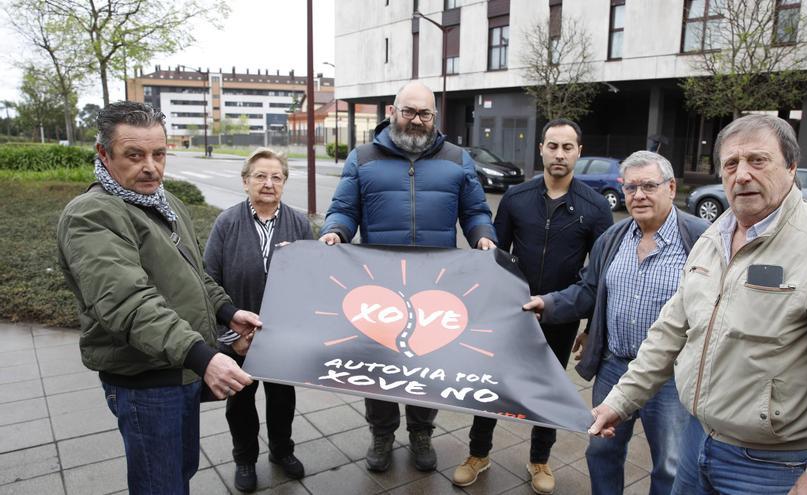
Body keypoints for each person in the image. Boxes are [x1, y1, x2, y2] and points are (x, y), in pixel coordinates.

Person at [589, 114, 807, 495]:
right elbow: (670, 330)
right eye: (731, 163)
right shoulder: (715, 236)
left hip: (770, 466)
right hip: (698, 442)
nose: (742, 174)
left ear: (791, 167)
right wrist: (622, 400)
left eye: (757, 160)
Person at [56, 101, 261, 494]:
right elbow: (129, 304)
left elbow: (193, 276)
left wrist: (228, 312)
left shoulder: (165, 203)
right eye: (134, 155)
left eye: (159, 154)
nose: (151, 166)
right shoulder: (92, 215)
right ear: (104, 154)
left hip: (182, 368)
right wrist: (204, 356)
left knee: (180, 472)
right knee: (160, 486)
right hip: (145, 383)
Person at [318, 81, 497, 473]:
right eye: (409, 112)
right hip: (377, 284)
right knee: (378, 362)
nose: (416, 120)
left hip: (435, 285)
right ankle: (381, 435)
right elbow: (344, 208)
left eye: (425, 113)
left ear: (435, 117)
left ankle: (421, 433)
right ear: (393, 112)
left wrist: (484, 238)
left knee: (427, 361)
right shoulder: (362, 158)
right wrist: (336, 231)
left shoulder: (456, 158)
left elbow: (476, 212)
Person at [525, 150, 708, 494]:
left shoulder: (700, 238)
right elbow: (588, 290)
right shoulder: (614, 238)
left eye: (649, 186)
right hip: (614, 368)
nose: (638, 195)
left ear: (671, 187)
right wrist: (547, 304)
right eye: (630, 187)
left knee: (669, 465)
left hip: (670, 378)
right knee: (601, 450)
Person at [451, 118, 613, 494]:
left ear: (578, 152)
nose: (559, 154)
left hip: (560, 316)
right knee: (491, 383)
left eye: (567, 147)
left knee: (548, 388)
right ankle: (478, 454)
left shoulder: (595, 208)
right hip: (511, 314)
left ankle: (540, 458)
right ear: (540, 148)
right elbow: (496, 257)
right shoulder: (515, 198)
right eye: (552, 146)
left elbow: (601, 276)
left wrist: (591, 327)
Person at [204, 148, 313, 492]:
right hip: (239, 337)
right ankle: (245, 459)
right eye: (260, 176)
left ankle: (282, 451)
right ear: (245, 181)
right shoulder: (227, 223)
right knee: (241, 404)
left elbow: (313, 280)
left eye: (276, 177)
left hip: (282, 337)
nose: (268, 183)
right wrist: (228, 335)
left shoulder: (298, 223)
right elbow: (207, 280)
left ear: (284, 182)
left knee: (283, 400)